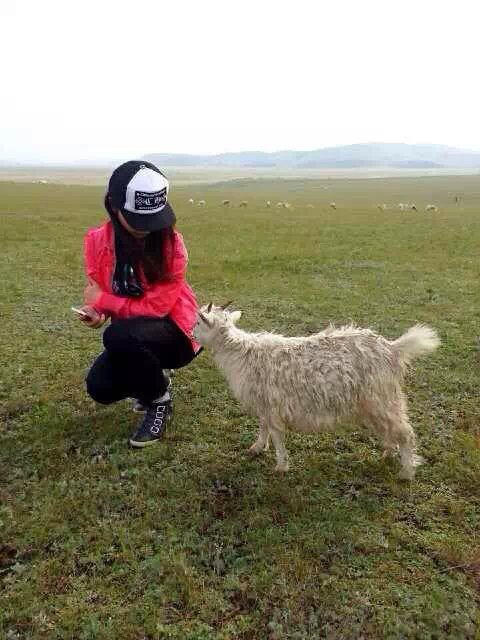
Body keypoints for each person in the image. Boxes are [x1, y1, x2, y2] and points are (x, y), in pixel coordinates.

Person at [77, 160, 200, 447]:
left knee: (117, 334)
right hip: (133, 337)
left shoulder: (172, 245)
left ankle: (160, 401)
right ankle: (153, 381)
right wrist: (97, 311)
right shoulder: (97, 242)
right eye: (138, 219)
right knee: (99, 387)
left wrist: (104, 300)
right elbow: (104, 292)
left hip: (178, 334)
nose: (147, 229)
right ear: (113, 206)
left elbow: (157, 308)